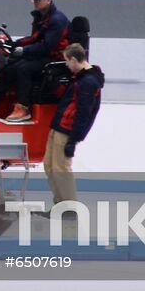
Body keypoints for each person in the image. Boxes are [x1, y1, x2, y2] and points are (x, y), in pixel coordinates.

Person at [0, 0, 69, 122]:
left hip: (53, 58)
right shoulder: (42, 17)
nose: (35, 2)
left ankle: (23, 108)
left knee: (24, 68)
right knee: (10, 67)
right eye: (34, 0)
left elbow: (47, 46)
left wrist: (24, 50)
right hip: (42, 55)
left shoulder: (57, 20)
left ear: (48, 0)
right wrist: (15, 44)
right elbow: (34, 38)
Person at [45, 43, 103, 211]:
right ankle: (61, 204)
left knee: (61, 169)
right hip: (58, 127)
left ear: (73, 59)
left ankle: (69, 209)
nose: (67, 66)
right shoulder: (80, 79)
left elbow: (84, 113)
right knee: (49, 165)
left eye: (67, 61)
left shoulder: (88, 82)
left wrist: (74, 139)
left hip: (66, 131)